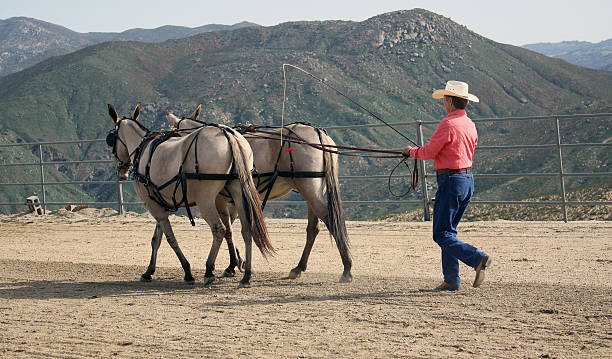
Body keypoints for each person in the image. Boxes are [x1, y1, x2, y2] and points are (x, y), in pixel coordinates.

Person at [403, 80, 491, 291]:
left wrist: (410, 151)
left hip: (451, 181)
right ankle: (451, 279)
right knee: (449, 233)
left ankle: (477, 258)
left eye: (444, 99)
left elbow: (429, 152)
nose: (443, 103)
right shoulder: (470, 124)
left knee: (441, 234)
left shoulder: (448, 124)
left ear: (450, 101)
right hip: (467, 180)